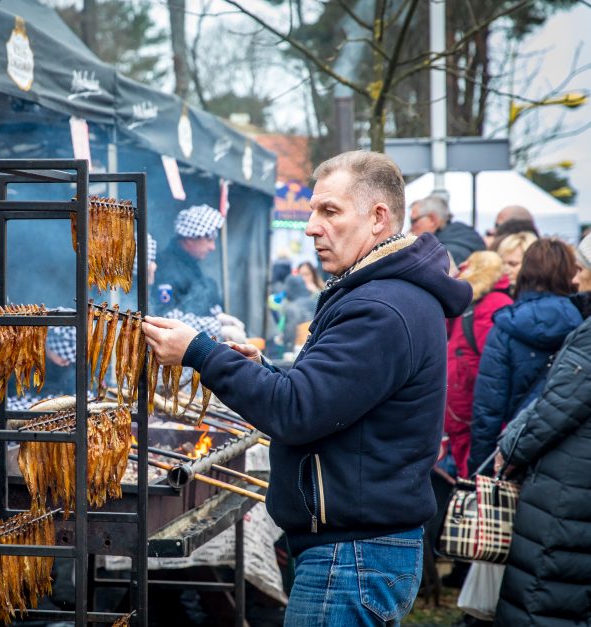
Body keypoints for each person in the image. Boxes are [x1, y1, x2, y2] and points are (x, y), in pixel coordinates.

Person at [143, 150, 472, 624]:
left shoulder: (380, 307)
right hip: (356, 550)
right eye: (314, 210)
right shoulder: (378, 294)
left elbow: (296, 412)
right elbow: (328, 401)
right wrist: (267, 371)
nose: (311, 226)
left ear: (379, 217)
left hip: (352, 557)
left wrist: (199, 353)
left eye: (329, 211)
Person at [491, 311, 591, 625]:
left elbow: (554, 407)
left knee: (543, 599)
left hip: (568, 490)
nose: (576, 279)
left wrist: (509, 451)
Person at [467, 238, 583, 474]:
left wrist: (479, 470)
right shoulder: (583, 324)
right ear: (569, 273)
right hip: (564, 452)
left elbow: (488, 408)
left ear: (525, 272)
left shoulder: (506, 325)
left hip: (512, 449)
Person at [444, 251, 513, 479]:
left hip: (472, 412)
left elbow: (494, 367)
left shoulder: (491, 305)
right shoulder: (473, 301)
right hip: (466, 410)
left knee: (472, 481)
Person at [153, 204, 227, 339]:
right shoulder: (166, 269)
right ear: (189, 239)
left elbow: (201, 302)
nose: (213, 247)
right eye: (209, 240)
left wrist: (221, 318)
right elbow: (166, 318)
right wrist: (218, 328)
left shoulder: (191, 265)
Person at [409, 195, 485, 264]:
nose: (411, 228)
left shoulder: (443, 254)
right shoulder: (467, 238)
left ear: (432, 219)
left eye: (413, 221)